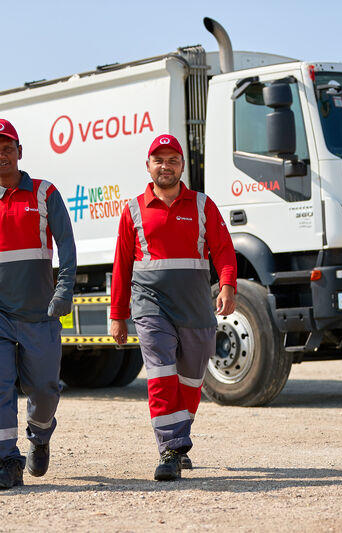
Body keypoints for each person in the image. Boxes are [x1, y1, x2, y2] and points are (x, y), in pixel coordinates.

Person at [0, 118, 76, 490]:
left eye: (8, 148)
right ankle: (8, 459)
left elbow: (67, 249)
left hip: (41, 313)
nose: (2, 154)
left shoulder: (44, 193)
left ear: (20, 152)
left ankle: (39, 435)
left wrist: (63, 291)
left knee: (44, 389)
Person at [110, 134, 236, 481]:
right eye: (158, 160)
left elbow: (223, 249)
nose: (165, 166)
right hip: (151, 304)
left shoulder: (202, 205)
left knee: (191, 380)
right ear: (148, 165)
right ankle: (169, 449)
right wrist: (118, 315)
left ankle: (179, 434)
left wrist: (227, 285)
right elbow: (121, 264)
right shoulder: (134, 208)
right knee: (161, 370)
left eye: (173, 160)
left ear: (182, 165)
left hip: (195, 307)